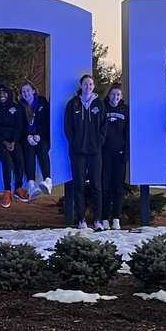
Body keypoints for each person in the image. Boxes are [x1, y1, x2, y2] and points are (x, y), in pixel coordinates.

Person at [65, 74, 104, 229]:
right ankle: (81, 219)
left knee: (96, 186)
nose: (88, 87)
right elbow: (67, 127)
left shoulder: (99, 104)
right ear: (81, 86)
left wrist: (97, 143)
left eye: (91, 84)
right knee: (79, 185)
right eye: (86, 84)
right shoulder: (72, 104)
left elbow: (103, 127)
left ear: (94, 86)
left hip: (95, 152)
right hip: (77, 152)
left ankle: (98, 220)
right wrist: (75, 143)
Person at [0, 83, 26, 207]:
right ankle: (7, 190)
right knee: (7, 160)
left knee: (19, 158)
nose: (2, 95)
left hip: (14, 141)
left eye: (4, 92)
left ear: (9, 94)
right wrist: (3, 142)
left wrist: (14, 141)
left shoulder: (16, 108)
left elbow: (18, 127)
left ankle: (19, 188)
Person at [99, 84, 128, 230]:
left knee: (118, 188)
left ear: (121, 97)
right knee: (105, 187)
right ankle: (104, 217)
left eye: (118, 95)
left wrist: (126, 153)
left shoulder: (125, 110)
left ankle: (116, 218)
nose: (115, 97)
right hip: (104, 153)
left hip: (120, 154)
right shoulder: (102, 108)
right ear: (108, 94)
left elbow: (128, 134)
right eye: (113, 94)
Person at [17, 81, 53, 199]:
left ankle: (47, 179)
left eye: (28, 90)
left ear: (33, 90)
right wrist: (28, 136)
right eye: (23, 92)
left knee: (42, 149)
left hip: (41, 136)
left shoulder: (42, 102)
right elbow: (20, 126)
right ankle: (31, 183)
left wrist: (40, 135)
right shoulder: (20, 106)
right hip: (27, 137)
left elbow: (46, 121)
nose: (26, 93)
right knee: (29, 152)